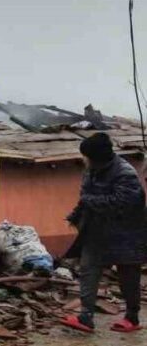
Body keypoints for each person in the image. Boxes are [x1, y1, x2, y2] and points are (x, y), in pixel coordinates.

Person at [60, 132, 147, 333]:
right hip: (96, 232)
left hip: (126, 235)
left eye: (86, 156)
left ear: (96, 156)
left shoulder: (125, 173)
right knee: (88, 271)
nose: (83, 159)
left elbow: (121, 204)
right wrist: (75, 216)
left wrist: (90, 201)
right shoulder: (91, 171)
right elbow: (85, 197)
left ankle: (132, 318)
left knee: (128, 277)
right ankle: (85, 317)